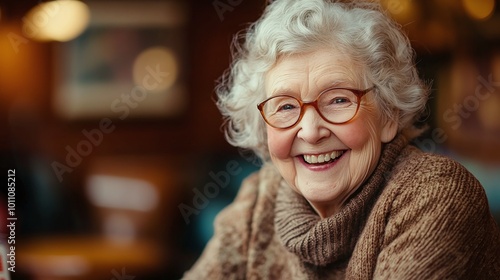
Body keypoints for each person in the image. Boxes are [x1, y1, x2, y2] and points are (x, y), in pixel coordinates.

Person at [183, 0, 500, 278]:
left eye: (338, 100)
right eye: (286, 106)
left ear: (387, 116)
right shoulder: (258, 200)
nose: (310, 131)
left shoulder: (438, 196)